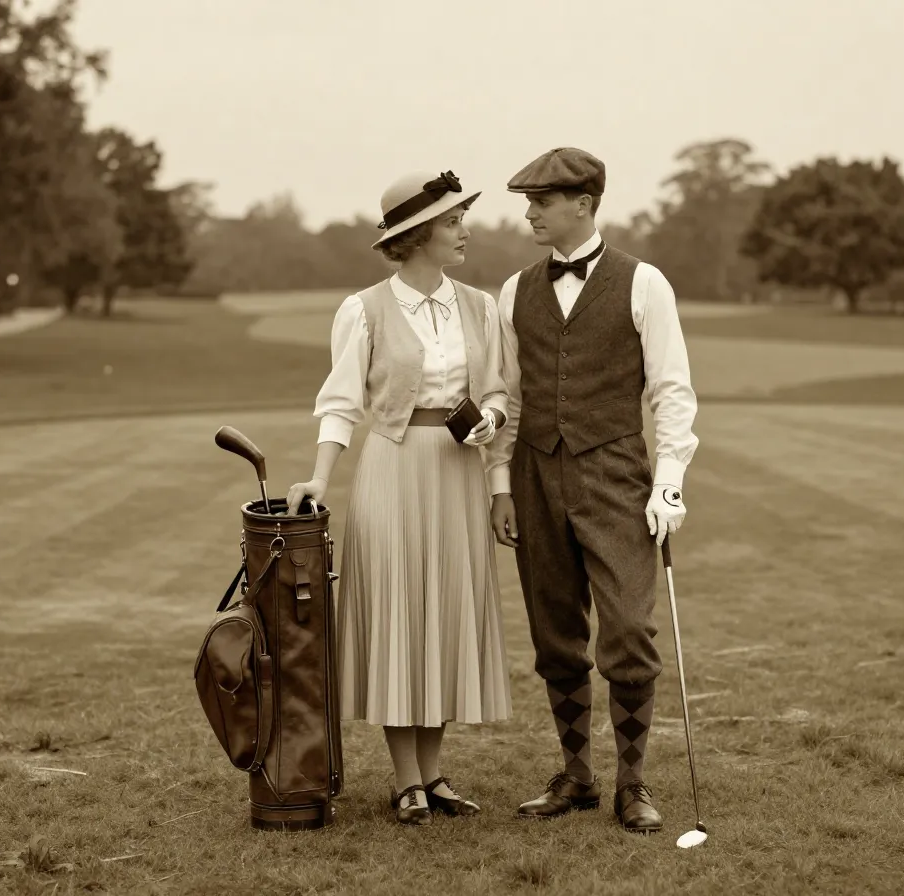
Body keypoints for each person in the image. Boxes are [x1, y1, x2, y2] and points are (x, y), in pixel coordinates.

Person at [285, 169, 513, 827]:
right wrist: (321, 479)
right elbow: (340, 401)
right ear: (414, 236)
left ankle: (435, 777)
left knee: (442, 618)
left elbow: (498, 393)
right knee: (396, 617)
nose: (464, 230)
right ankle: (406, 782)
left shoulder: (481, 306)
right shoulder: (363, 310)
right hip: (391, 469)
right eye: (451, 221)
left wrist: (494, 449)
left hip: (459, 475)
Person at [484, 147, 699, 834]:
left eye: (542, 201)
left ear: (583, 202)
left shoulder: (644, 284)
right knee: (555, 635)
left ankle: (632, 784)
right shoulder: (514, 291)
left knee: (630, 632)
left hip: (615, 475)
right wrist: (500, 485)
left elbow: (671, 392)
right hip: (534, 474)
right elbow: (508, 400)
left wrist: (668, 485)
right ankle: (576, 775)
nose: (529, 213)